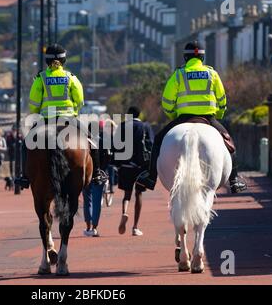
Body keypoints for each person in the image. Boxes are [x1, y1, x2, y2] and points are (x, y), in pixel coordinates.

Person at [136, 41, 248, 194]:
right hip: (209, 118)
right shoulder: (212, 74)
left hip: (183, 118)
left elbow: (167, 102)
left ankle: (150, 177)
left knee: (158, 140)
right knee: (229, 143)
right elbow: (222, 100)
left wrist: (173, 115)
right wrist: (219, 114)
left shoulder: (179, 74)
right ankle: (234, 180)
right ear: (202, 57)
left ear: (185, 57)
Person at [14, 44, 108, 189]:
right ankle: (96, 173)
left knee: (26, 144)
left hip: (46, 119)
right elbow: (80, 100)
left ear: (47, 61)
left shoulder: (41, 78)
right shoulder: (70, 77)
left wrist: (37, 113)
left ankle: (24, 177)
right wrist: (74, 111)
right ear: (64, 60)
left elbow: (33, 103)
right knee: (92, 141)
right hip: (69, 118)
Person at [114, 107, 154, 237]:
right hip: (141, 167)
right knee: (138, 194)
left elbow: (115, 145)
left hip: (125, 165)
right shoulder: (145, 126)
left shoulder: (122, 126)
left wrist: (117, 164)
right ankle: (135, 227)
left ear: (128, 115)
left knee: (127, 194)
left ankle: (124, 212)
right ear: (139, 114)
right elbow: (151, 144)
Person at [83, 120, 112, 237]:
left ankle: (88, 226)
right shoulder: (103, 141)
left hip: (86, 174)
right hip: (99, 174)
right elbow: (109, 157)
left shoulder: (85, 142)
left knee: (87, 200)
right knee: (96, 201)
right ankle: (94, 227)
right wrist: (103, 170)